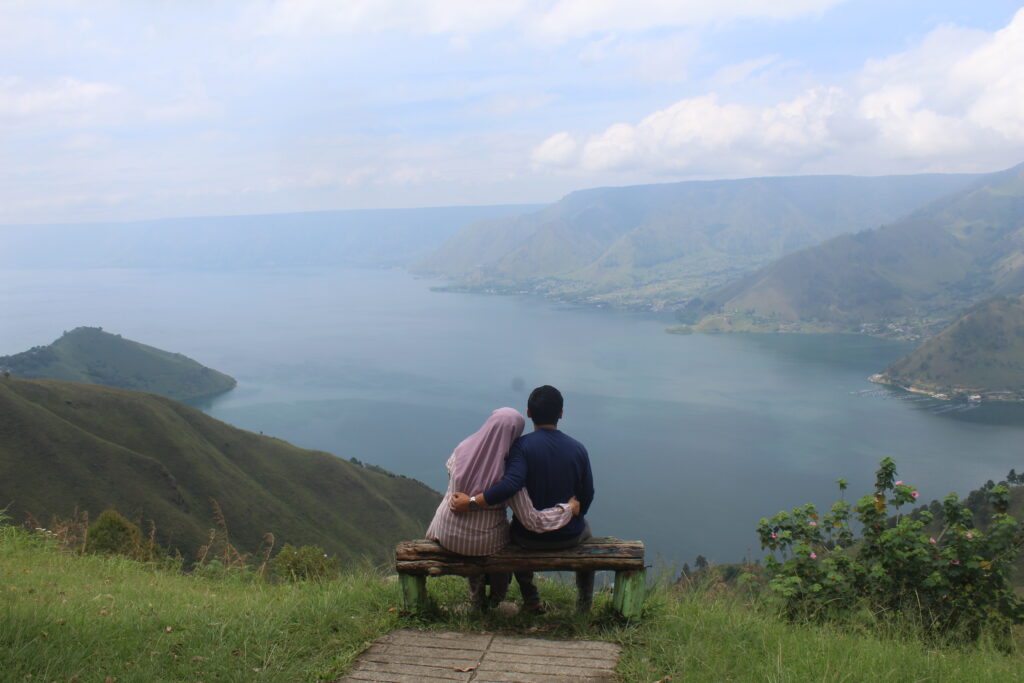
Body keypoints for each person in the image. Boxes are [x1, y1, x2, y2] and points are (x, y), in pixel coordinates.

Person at [452, 385, 595, 612]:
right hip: (569, 535)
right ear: (561, 413)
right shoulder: (578, 449)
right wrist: (576, 510)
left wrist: (471, 502)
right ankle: (584, 604)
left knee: (513, 530)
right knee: (587, 531)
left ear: (529, 413)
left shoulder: (522, 447)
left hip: (529, 538)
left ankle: (531, 598)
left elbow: (510, 485)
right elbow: (587, 494)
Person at [425, 406, 579, 610]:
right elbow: (532, 520)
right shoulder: (508, 475)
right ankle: (497, 596)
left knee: (475, 532)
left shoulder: (462, 450)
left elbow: (451, 478)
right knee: (507, 534)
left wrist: (470, 498)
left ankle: (476, 597)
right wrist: (567, 509)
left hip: (446, 533)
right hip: (483, 543)